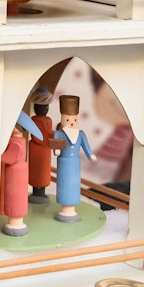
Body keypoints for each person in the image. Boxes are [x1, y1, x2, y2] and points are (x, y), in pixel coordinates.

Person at [0, 113, 45, 236]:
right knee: (16, 197)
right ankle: (16, 221)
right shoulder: (20, 140)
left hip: (15, 173)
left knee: (15, 198)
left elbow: (9, 158)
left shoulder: (16, 142)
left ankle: (15, 223)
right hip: (18, 171)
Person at [52, 95, 93, 223]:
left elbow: (86, 145)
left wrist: (90, 155)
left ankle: (71, 208)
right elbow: (56, 149)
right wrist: (57, 149)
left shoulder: (80, 134)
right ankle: (65, 208)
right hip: (64, 163)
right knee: (64, 185)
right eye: (68, 119)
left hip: (75, 163)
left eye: (74, 119)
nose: (71, 122)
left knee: (73, 185)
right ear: (62, 118)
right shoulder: (59, 133)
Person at [27, 88, 56, 204]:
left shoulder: (33, 119)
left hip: (36, 148)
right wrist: (57, 134)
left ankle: (38, 192)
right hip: (42, 149)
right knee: (40, 173)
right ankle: (39, 193)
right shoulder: (46, 121)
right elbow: (47, 135)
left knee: (38, 173)